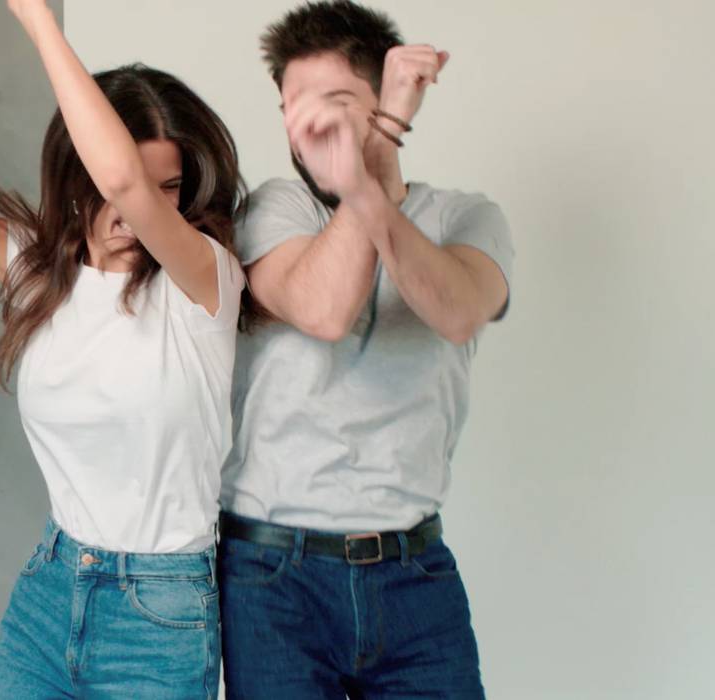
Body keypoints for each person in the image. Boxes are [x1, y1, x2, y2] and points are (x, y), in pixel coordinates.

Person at [0, 0, 245, 696]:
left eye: (168, 189)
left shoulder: (203, 283)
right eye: (118, 185)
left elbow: (125, 181)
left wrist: (37, 18)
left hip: (159, 616)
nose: (138, 211)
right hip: (52, 588)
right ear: (75, 176)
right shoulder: (38, 274)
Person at [218, 2, 515, 697]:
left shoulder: (467, 217)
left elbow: (458, 312)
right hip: (272, 576)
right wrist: (370, 157)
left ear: (390, 105)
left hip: (414, 574)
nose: (311, 128)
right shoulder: (271, 210)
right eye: (294, 109)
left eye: (335, 104)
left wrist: (367, 172)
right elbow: (324, 310)